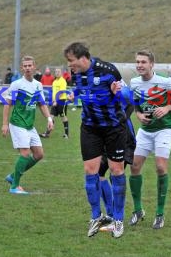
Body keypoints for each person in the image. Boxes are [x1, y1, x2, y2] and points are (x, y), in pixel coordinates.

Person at [64, 41, 127, 238]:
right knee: (90, 171)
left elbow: (125, 96)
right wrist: (73, 94)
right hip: (90, 127)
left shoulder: (108, 70)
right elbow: (85, 91)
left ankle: (118, 219)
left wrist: (118, 93)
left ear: (83, 58)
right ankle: (96, 216)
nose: (69, 65)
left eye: (71, 61)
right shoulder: (76, 75)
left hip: (113, 128)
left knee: (117, 170)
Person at [128, 50, 171, 230]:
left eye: (143, 62)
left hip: (164, 129)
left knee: (160, 167)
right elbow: (135, 102)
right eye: (137, 62)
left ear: (152, 64)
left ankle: (160, 214)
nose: (140, 65)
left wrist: (168, 107)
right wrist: (138, 114)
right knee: (134, 166)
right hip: (145, 130)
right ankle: (138, 210)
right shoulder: (134, 82)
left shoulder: (164, 81)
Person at [1, 55, 53, 195]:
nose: (28, 68)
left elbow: (42, 104)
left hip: (30, 125)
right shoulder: (17, 84)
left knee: (39, 154)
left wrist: (49, 119)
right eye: (25, 66)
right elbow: (7, 104)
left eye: (30, 65)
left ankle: (12, 176)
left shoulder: (38, 85)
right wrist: (5, 124)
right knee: (25, 153)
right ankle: (14, 186)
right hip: (18, 123)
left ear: (34, 67)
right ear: (22, 68)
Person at [98, 85, 137, 233]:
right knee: (99, 174)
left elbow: (131, 104)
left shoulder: (120, 87)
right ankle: (111, 215)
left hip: (124, 138)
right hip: (108, 136)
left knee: (115, 175)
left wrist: (119, 119)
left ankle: (116, 219)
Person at [40, 68, 70, 139]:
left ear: (61, 73)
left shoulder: (63, 81)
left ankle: (66, 134)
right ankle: (47, 133)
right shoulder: (54, 81)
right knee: (51, 117)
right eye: (56, 72)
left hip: (61, 101)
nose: (57, 73)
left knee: (63, 117)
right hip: (55, 102)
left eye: (58, 72)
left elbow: (61, 92)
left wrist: (56, 101)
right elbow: (54, 92)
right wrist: (54, 101)